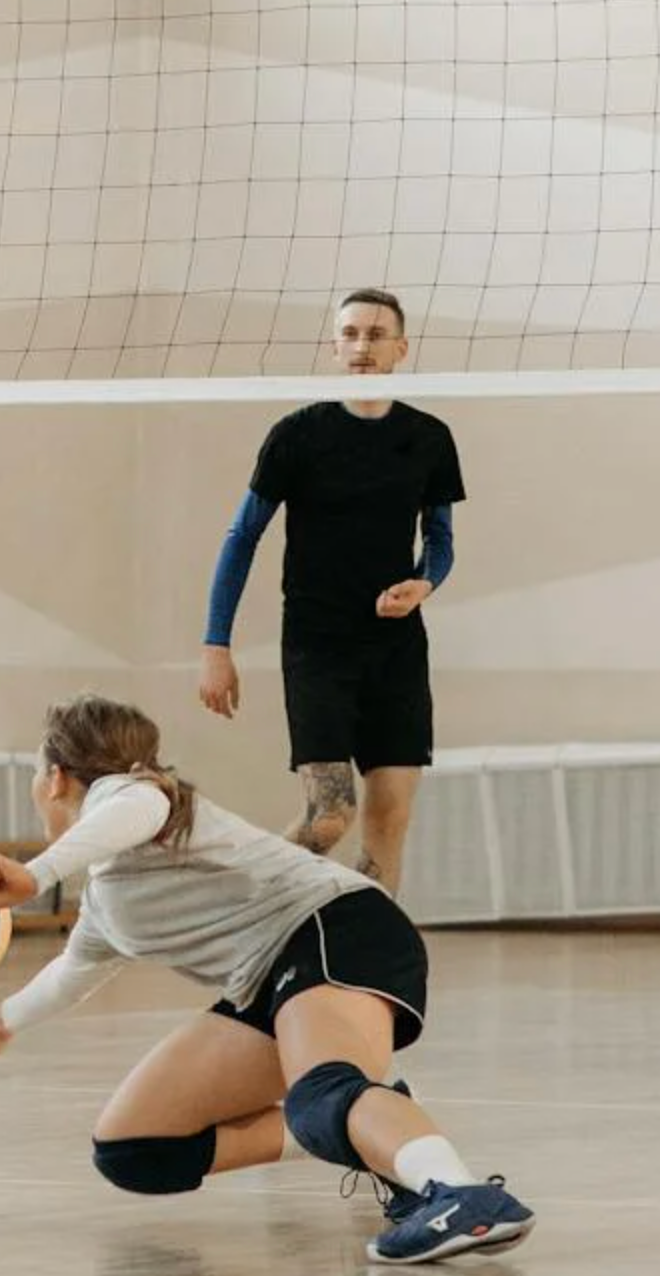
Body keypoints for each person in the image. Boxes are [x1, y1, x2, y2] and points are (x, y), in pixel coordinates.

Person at [0, 694, 533, 1265]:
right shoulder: (108, 896)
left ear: (57, 779)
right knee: (134, 1150)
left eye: (39, 771)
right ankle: (368, 1118)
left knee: (321, 1094)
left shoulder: (134, 795)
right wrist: (5, 1019)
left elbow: (136, 806)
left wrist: (34, 876)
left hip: (334, 927)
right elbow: (72, 971)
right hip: (268, 980)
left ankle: (457, 1194)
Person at [198, 288, 464, 893]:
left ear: (401, 346)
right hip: (318, 646)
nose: (362, 346)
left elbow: (441, 540)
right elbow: (242, 537)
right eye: (350, 334)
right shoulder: (297, 435)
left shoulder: (429, 438)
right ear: (335, 346)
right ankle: (241, 905)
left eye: (375, 334)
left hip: (396, 650)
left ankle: (372, 969)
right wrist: (217, 644)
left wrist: (425, 581)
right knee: (330, 816)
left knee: (389, 817)